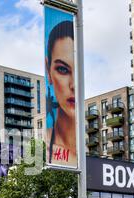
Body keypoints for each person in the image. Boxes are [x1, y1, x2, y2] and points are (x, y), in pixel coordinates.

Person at [45, 20, 77, 168]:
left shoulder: (84, 155)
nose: (73, 85)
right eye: (63, 70)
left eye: (79, 72)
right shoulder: (45, 152)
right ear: (48, 70)